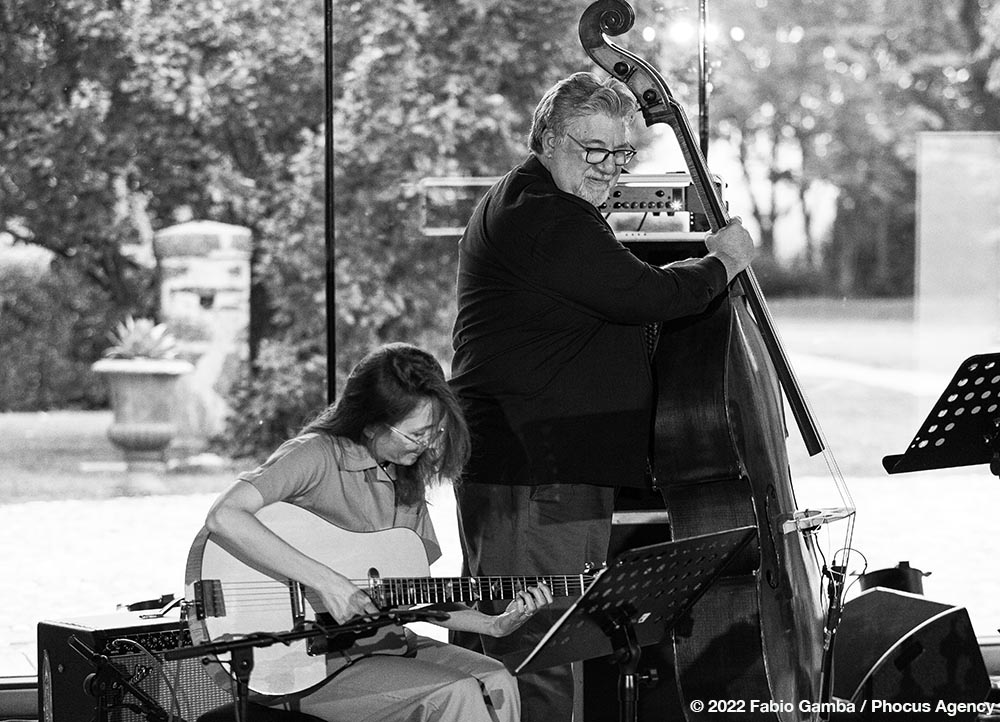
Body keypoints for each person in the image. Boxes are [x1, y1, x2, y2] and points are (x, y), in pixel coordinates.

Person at [449, 72, 756, 721]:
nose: (611, 169)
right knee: (540, 654)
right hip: (535, 468)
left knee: (514, 646)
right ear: (550, 138)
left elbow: (621, 297)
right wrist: (724, 260)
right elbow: (646, 296)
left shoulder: (538, 200)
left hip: (538, 462)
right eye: (595, 151)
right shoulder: (548, 215)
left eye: (622, 155)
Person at [203, 342, 553, 722]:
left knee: (498, 678)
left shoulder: (406, 477)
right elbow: (225, 516)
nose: (429, 445)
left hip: (385, 646)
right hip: (310, 661)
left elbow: (414, 594)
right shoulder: (317, 455)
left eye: (436, 431)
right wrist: (327, 582)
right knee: (457, 693)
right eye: (416, 434)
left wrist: (491, 624)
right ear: (370, 423)